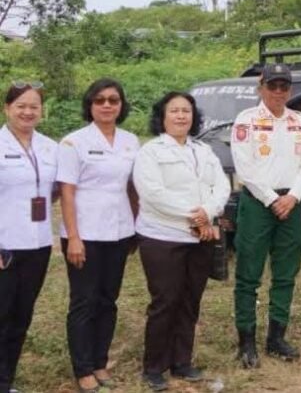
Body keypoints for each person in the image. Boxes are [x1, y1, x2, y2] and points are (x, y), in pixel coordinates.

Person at [133, 91, 229, 392]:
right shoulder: (151, 151)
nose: (180, 116)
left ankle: (181, 361)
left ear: (193, 116)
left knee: (190, 300)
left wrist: (209, 211)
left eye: (186, 111)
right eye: (173, 111)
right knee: (165, 301)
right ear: (162, 116)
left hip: (199, 239)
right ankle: (154, 367)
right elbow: (153, 193)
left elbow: (221, 184)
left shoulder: (203, 149)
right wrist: (197, 217)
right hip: (163, 237)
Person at [231, 63, 301, 368]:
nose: (278, 92)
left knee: (285, 273)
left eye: (284, 86)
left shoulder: (299, 119)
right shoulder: (247, 120)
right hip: (258, 203)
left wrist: (292, 197)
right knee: (248, 274)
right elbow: (245, 168)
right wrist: (272, 200)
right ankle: (246, 342)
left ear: (290, 90)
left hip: (291, 203)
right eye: (273, 86)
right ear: (261, 87)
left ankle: (276, 337)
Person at [57, 79, 139, 392]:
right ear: (89, 105)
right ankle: (83, 368)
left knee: (108, 300)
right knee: (84, 301)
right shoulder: (73, 143)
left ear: (121, 105)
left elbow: (132, 187)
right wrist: (73, 238)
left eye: (113, 100)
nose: (107, 105)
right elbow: (66, 192)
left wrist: (135, 227)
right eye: (100, 100)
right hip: (85, 233)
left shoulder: (131, 141)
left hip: (119, 231)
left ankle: (100, 362)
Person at [0, 81, 58, 393]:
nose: (27, 111)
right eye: (21, 105)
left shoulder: (50, 147)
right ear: (7, 108)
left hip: (38, 244)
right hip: (5, 245)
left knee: (22, 315)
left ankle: (6, 380)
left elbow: (56, 191)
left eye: (34, 106)